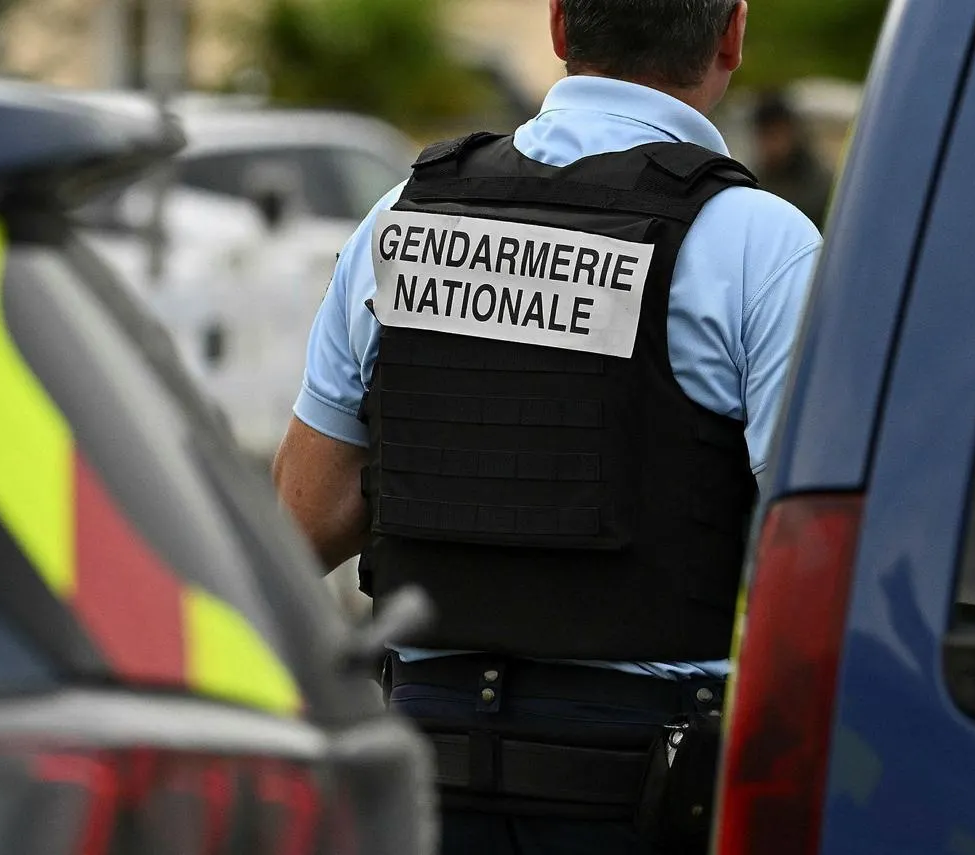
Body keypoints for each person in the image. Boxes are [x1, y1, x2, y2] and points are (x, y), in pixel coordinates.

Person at [273, 1, 822, 853]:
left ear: (560, 26)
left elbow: (302, 521)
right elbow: (810, 553)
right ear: (732, 35)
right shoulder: (764, 247)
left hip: (430, 774)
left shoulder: (399, 217)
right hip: (646, 787)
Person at [751, 90, 836, 229]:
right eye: (765, 135)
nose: (771, 144)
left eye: (776, 134)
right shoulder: (755, 182)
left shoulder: (819, 184)